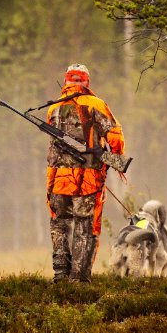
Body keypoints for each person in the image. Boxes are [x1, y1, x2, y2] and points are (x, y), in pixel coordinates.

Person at [46, 64, 125, 282]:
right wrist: (113, 157)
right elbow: (115, 135)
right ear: (87, 82)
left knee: (59, 223)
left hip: (57, 181)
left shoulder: (53, 109)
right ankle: (79, 279)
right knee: (84, 225)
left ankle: (60, 274)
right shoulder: (96, 104)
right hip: (86, 180)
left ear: (66, 82)